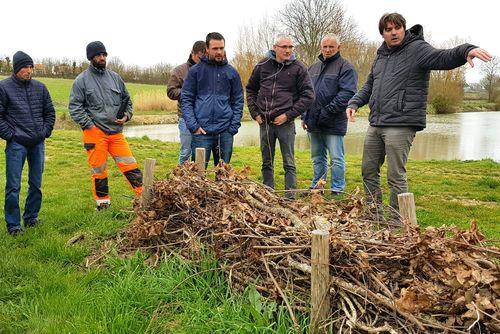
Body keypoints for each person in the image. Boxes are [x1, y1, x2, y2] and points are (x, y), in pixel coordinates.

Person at [346, 13, 492, 218]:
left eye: (397, 27)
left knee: (395, 175)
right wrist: (354, 102)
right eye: (388, 29)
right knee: (368, 171)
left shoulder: (417, 49)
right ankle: (373, 215)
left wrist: (466, 50)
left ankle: (397, 221)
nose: (393, 32)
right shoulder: (381, 56)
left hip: (402, 122)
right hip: (377, 122)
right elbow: (370, 85)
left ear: (404, 29)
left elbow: (443, 57)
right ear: (383, 34)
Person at [69, 41, 143, 210]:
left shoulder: (115, 78)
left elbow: (127, 100)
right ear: (91, 58)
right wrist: (90, 126)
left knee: (131, 166)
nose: (102, 58)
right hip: (95, 133)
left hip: (116, 133)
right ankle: (103, 206)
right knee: (99, 171)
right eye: (98, 55)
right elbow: (74, 107)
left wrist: (126, 115)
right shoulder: (81, 81)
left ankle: (146, 198)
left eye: (104, 55)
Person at [246, 35, 314, 199]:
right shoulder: (262, 65)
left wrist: (288, 115)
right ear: (275, 47)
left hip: (286, 124)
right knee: (266, 161)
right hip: (266, 123)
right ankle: (267, 194)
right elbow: (250, 89)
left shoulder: (299, 68)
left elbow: (309, 96)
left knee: (289, 162)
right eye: (284, 47)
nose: (288, 50)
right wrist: (255, 113)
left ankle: (289, 197)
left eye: (291, 47)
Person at [0, 51, 55, 235]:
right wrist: (11, 135)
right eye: (25, 67)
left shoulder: (40, 88)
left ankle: (31, 218)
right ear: (16, 68)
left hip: (37, 143)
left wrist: (45, 132)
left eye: (31, 67)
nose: (29, 70)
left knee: (36, 184)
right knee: (13, 186)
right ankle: (14, 225)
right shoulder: (4, 88)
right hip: (16, 144)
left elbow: (50, 112)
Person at [302, 34, 357, 195]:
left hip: (334, 121)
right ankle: (317, 186)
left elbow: (347, 94)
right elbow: (306, 93)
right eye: (325, 46)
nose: (327, 50)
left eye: (331, 47)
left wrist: (326, 112)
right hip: (313, 122)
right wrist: (305, 116)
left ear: (338, 47)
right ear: (321, 47)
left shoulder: (346, 68)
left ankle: (337, 189)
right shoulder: (312, 68)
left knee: (336, 158)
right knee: (317, 157)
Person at [181, 32, 243, 167]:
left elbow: (238, 101)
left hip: (225, 132)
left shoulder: (232, 73)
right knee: (198, 175)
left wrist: (232, 127)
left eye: (221, 48)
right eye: (215, 49)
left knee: (224, 178)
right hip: (202, 132)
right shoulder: (195, 72)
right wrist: (194, 126)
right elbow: (186, 100)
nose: (219, 52)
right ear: (207, 49)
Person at [167, 40, 206, 165]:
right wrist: (188, 92)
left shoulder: (207, 70)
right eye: (199, 58)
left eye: (204, 58)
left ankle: (197, 179)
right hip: (185, 117)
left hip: (204, 117)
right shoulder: (179, 70)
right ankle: (181, 179)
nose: (201, 61)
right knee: (186, 151)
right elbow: (171, 92)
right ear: (192, 53)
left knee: (200, 152)